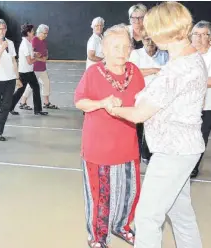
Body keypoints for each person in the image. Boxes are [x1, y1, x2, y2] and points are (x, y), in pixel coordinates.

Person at [107, 3, 206, 248]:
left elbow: (140, 113)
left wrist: (110, 107)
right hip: (185, 148)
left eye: (151, 29)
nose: (147, 34)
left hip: (173, 151)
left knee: (147, 217)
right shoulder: (190, 57)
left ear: (163, 31)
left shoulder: (178, 69)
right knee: (180, 213)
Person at [74, 24, 145, 248]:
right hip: (99, 147)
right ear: (104, 48)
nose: (122, 51)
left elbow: (142, 103)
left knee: (129, 192)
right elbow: (80, 102)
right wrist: (102, 103)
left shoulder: (135, 72)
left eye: (126, 46)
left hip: (127, 144)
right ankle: (97, 236)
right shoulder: (93, 72)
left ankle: (122, 225)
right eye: (116, 46)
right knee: (100, 197)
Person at [129, 29, 169, 163]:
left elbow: (168, 73)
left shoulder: (164, 55)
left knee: (153, 128)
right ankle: (136, 155)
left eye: (152, 39)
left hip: (158, 98)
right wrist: (155, 70)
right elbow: (133, 72)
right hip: (139, 98)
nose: (150, 42)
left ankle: (147, 154)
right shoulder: (136, 54)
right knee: (137, 129)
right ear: (141, 40)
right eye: (146, 39)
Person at [0, 19, 23, 141]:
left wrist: (17, 77)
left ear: (6, 29)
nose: (1, 31)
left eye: (3, 28)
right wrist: (1, 48)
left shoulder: (10, 43)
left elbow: (13, 61)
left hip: (10, 79)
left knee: (6, 106)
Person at [10, 23, 48, 116]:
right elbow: (30, 61)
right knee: (21, 91)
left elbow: (30, 55)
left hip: (29, 71)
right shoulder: (25, 44)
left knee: (35, 88)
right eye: (32, 32)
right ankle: (9, 107)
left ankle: (38, 110)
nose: (34, 33)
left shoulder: (28, 43)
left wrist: (35, 54)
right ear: (28, 33)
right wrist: (40, 59)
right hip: (24, 72)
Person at [20, 24, 58, 110]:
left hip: (42, 68)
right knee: (31, 86)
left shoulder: (44, 41)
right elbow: (31, 54)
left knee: (46, 83)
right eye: (44, 33)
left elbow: (45, 52)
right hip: (35, 68)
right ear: (39, 32)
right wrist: (40, 58)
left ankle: (46, 102)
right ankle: (22, 102)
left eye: (46, 34)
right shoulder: (34, 40)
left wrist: (46, 57)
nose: (45, 35)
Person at [191, 20, 211, 178]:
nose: (197, 38)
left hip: (208, 105)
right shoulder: (188, 53)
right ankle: (193, 167)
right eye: (195, 34)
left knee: (202, 136)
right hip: (190, 105)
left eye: (201, 35)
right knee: (194, 137)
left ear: (209, 37)